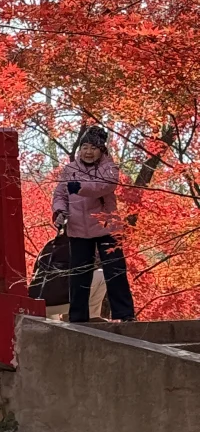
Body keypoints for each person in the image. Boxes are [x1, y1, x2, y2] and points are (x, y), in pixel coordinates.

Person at [52, 124, 136, 323]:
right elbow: (60, 194)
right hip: (78, 229)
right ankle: (78, 318)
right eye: (85, 147)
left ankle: (125, 315)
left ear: (101, 150)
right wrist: (59, 211)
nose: (88, 152)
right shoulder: (70, 169)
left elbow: (104, 186)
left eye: (93, 148)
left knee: (114, 271)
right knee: (79, 275)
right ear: (79, 149)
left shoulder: (109, 168)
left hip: (106, 228)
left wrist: (79, 187)